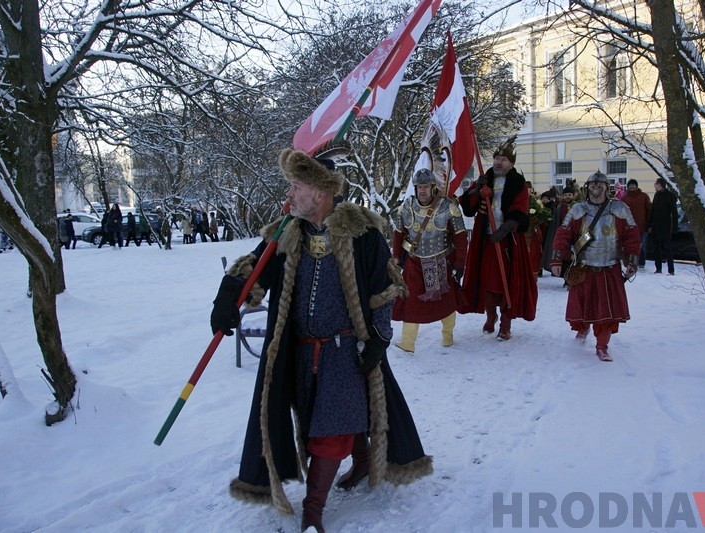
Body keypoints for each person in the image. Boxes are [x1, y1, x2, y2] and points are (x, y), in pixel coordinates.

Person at [210, 149, 432, 532]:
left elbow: (384, 288)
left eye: (296, 187)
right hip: (297, 351)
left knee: (329, 430)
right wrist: (227, 296)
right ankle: (361, 460)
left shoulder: (361, 232)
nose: (289, 195)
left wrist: (378, 337)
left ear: (320, 193)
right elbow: (255, 269)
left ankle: (313, 512)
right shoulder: (287, 231)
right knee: (316, 420)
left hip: (346, 350)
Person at [550, 171, 641, 361]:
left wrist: (631, 261)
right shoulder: (577, 209)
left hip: (609, 267)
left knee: (606, 310)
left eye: (600, 185)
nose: (596, 188)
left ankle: (602, 346)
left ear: (607, 188)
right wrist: (557, 260)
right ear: (587, 188)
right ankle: (582, 332)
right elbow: (563, 234)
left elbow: (632, 235)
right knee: (583, 305)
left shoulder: (620, 209)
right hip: (584, 267)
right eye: (592, 185)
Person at [459, 136, 537, 341]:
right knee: (485, 279)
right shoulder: (486, 177)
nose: (498, 162)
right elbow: (468, 206)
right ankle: (490, 314)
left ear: (511, 163)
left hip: (508, 242)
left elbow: (520, 210)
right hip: (485, 240)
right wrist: (477, 189)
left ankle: (505, 322)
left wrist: (502, 231)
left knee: (507, 283)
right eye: (497, 158)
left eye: (503, 159)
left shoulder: (518, 183)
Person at [391, 168, 468, 352]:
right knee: (410, 302)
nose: (422, 190)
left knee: (447, 302)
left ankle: (447, 335)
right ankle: (408, 343)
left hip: (443, 261)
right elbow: (398, 234)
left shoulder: (448, 207)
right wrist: (395, 261)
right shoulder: (406, 207)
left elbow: (461, 238)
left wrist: (459, 265)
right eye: (419, 187)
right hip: (414, 263)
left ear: (433, 187)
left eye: (425, 186)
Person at [647, 177, 679, 275]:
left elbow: (674, 213)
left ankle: (671, 270)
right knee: (657, 249)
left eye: (655, 184)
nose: (654, 186)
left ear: (660, 184)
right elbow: (653, 211)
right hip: (656, 226)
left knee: (667, 248)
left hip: (665, 226)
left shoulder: (670, 196)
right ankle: (658, 268)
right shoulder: (656, 195)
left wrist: (674, 227)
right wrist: (649, 225)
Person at [621, 179, 652, 271]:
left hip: (642, 226)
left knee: (642, 246)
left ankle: (642, 262)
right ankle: (632, 262)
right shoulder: (625, 198)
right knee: (630, 246)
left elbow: (650, 210)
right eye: (630, 185)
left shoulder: (644, 196)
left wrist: (649, 224)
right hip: (629, 228)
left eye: (633, 185)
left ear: (637, 186)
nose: (632, 187)